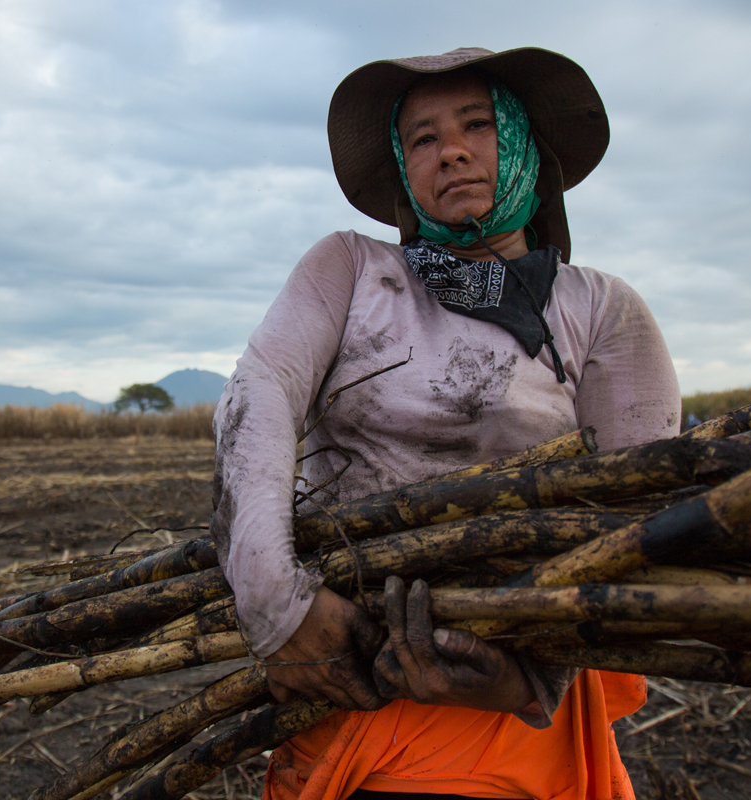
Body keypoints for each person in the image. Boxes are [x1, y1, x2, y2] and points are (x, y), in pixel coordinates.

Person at [211, 47, 681, 800]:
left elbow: (636, 511)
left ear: (525, 146)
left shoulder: (598, 309)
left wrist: (528, 680)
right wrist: (278, 605)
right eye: (423, 138)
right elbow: (260, 393)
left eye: (478, 125)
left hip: (514, 695)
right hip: (348, 663)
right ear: (405, 169)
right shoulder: (353, 270)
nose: (452, 150)